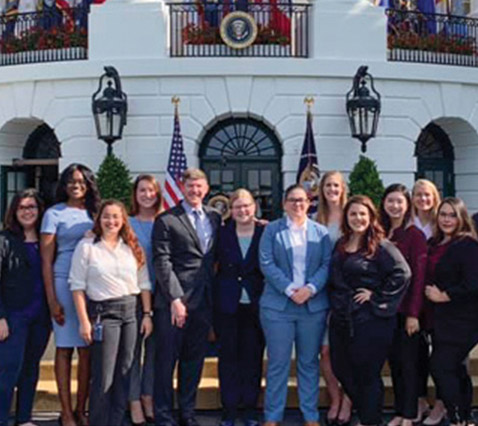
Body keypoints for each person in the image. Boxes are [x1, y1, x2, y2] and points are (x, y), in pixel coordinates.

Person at [69, 200, 153, 426]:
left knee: (125, 372)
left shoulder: (131, 246)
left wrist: (147, 314)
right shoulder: (87, 246)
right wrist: (84, 321)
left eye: (116, 217)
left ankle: (116, 421)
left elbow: (144, 283)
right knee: (104, 375)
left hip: (131, 312)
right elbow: (77, 286)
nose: (111, 221)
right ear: (99, 219)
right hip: (103, 314)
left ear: (123, 220)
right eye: (106, 216)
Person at [329, 195, 410, 426]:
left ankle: (370, 420)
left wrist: (376, 297)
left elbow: (402, 274)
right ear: (346, 217)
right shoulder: (341, 244)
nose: (358, 218)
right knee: (341, 369)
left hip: (371, 321)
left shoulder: (381, 245)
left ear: (371, 217)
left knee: (367, 375)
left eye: (362, 214)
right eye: (353, 214)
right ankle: (367, 414)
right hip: (343, 319)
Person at [152, 168, 221, 426]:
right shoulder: (167, 219)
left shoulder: (214, 217)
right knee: (166, 362)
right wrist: (175, 299)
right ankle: (164, 415)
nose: (195, 191)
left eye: (199, 187)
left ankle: (187, 413)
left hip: (203, 301)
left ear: (206, 189)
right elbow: (162, 261)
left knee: (194, 362)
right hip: (173, 303)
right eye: (190, 186)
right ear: (182, 187)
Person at [259, 184, 332, 426]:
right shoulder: (272, 230)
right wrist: (291, 290)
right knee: (278, 363)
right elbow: (267, 263)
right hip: (278, 307)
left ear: (309, 203)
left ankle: (310, 416)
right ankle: (272, 417)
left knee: (308, 363)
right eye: (292, 200)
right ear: (284, 204)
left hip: (312, 307)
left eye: (302, 200)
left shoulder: (321, 233)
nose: (297, 204)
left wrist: (310, 289)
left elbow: (326, 265)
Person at [40, 163, 101, 426]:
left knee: (87, 349)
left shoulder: (96, 212)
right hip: (64, 282)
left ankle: (81, 408)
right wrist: (52, 299)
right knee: (65, 349)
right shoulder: (54, 213)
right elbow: (46, 260)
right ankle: (65, 411)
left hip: (93, 285)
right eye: (71, 182)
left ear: (89, 184)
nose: (76, 186)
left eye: (82, 181)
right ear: (64, 185)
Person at [424, 198, 478, 426]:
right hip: (439, 319)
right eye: (443, 214)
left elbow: (474, 283)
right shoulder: (434, 242)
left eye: (452, 215)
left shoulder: (467, 245)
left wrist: (444, 295)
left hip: (463, 318)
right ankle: (465, 417)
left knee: (441, 366)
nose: (447, 219)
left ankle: (456, 418)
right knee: (455, 369)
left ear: (461, 218)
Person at [214, 189, 265, 426]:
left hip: (257, 305)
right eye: (237, 207)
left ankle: (250, 410)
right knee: (228, 359)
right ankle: (230, 409)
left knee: (253, 359)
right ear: (230, 210)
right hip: (227, 305)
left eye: (246, 206)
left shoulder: (266, 231)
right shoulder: (221, 234)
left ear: (254, 207)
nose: (242, 211)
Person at [0, 189, 50, 426]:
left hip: (41, 317)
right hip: (13, 317)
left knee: (31, 369)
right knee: (8, 370)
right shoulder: (5, 240)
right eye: (22, 207)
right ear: (14, 211)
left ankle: (23, 418)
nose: (28, 212)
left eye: (32, 207)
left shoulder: (47, 240)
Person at [380, 184, 427, 426]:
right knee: (395, 364)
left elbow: (419, 278)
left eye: (399, 201)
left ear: (407, 205)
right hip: (384, 311)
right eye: (390, 201)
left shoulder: (414, 235)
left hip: (406, 311)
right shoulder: (381, 232)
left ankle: (409, 415)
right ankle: (399, 412)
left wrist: (413, 314)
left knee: (408, 365)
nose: (395, 206)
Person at [316, 171, 352, 426]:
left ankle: (349, 400)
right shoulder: (315, 217)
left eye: (336, 185)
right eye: (328, 185)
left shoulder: (353, 215)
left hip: (348, 292)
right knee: (325, 350)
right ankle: (335, 397)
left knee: (349, 350)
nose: (332, 189)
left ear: (343, 188)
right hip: (320, 292)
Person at [129, 175, 164, 426]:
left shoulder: (166, 221)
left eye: (151, 190)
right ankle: (133, 400)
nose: (147, 195)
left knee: (154, 352)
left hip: (161, 295)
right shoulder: (126, 223)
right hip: (132, 295)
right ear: (135, 194)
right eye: (142, 190)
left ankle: (148, 395)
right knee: (132, 352)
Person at [411, 179, 445, 425]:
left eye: (427, 195)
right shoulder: (408, 223)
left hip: (440, 299)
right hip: (413, 298)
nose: (423, 199)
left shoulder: (443, 223)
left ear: (435, 197)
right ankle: (421, 399)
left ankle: (442, 403)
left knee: (443, 355)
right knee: (416, 354)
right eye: (418, 195)